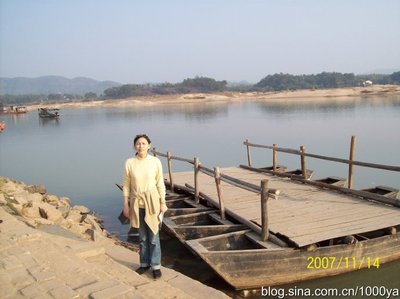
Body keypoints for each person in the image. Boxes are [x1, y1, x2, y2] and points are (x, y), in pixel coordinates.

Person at [122, 134, 168, 279]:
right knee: (142, 237)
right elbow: (127, 185)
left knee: (153, 236)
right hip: (136, 204)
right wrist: (126, 204)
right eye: (138, 143)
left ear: (149, 145)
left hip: (152, 202)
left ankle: (156, 266)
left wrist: (163, 203)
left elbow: (160, 183)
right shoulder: (130, 162)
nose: (140, 146)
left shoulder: (155, 162)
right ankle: (144, 263)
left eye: (143, 143)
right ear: (134, 146)